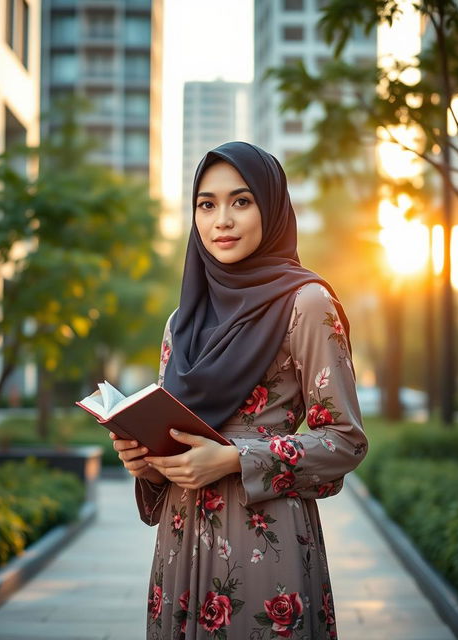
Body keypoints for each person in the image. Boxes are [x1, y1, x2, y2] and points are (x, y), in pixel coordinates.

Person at [110, 141, 367, 639]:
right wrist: (143, 460)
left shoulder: (306, 304)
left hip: (263, 548)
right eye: (206, 204)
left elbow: (344, 440)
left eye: (241, 201)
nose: (221, 220)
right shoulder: (180, 324)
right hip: (179, 546)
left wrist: (232, 459)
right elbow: (173, 434)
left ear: (270, 209)